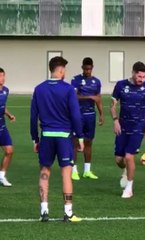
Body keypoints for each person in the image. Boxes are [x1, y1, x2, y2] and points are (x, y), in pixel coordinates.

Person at [30, 56, 83, 222]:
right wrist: (80, 137)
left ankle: (43, 211)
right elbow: (75, 115)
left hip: (46, 136)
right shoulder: (68, 89)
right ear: (61, 70)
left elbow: (33, 117)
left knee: (45, 172)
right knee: (66, 174)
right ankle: (68, 212)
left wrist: (35, 139)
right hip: (64, 137)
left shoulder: (39, 89)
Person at [110, 61, 145, 199]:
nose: (142, 80)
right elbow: (112, 106)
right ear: (133, 73)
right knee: (119, 159)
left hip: (138, 126)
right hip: (122, 126)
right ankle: (125, 170)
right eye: (139, 76)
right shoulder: (121, 85)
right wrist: (115, 120)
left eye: (144, 77)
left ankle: (129, 188)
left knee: (129, 157)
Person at [70, 57, 104, 180]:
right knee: (74, 142)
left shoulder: (97, 82)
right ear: (82, 67)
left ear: (92, 68)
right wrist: (90, 97)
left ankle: (87, 171)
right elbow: (73, 97)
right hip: (77, 115)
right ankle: (74, 171)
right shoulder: (76, 80)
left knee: (88, 142)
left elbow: (98, 99)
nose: (87, 71)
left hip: (90, 115)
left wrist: (101, 114)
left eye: (89, 69)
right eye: (85, 69)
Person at [0, 68, 15, 187]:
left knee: (9, 151)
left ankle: (1, 176)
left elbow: (3, 106)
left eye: (3, 76)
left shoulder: (6, 90)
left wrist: (9, 115)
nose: (2, 78)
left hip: (2, 126)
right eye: (0, 76)